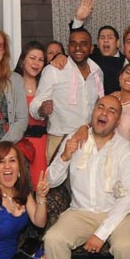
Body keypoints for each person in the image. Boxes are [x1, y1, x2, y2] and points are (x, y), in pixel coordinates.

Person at [42, 95, 130, 259]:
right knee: (53, 239)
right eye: (100, 107)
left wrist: (101, 234)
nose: (104, 113)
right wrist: (65, 155)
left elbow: (127, 197)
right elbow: (52, 181)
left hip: (116, 213)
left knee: (125, 246)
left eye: (112, 111)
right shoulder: (74, 139)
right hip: (80, 212)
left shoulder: (126, 149)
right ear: (93, 112)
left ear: (117, 120)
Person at [30, 27, 104, 160]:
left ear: (91, 48)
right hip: (60, 140)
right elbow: (35, 105)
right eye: (73, 44)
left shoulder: (97, 72)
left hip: (90, 140)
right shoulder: (54, 70)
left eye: (83, 44)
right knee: (57, 181)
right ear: (68, 47)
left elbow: (99, 105)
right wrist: (42, 110)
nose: (78, 48)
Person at [15, 41, 50, 186]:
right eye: (32, 58)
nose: (36, 63)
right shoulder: (12, 84)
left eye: (41, 60)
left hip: (42, 145)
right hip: (19, 143)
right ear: (23, 60)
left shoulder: (47, 86)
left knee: (40, 187)